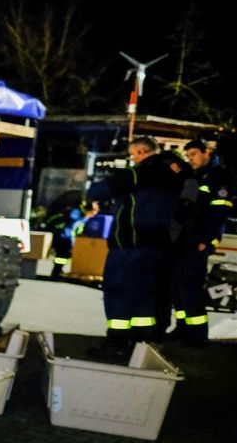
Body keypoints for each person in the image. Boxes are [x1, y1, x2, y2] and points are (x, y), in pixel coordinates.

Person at [86, 136, 185, 359]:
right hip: (158, 245)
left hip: (129, 244)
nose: (133, 159)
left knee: (118, 291)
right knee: (145, 294)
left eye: (133, 154)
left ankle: (117, 343)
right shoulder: (173, 177)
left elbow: (97, 191)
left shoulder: (136, 174)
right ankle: (143, 343)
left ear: (140, 151)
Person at [170, 139, 233, 344]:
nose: (191, 159)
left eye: (194, 154)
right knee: (178, 286)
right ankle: (182, 327)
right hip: (184, 238)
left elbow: (219, 212)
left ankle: (197, 334)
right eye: (188, 156)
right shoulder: (194, 175)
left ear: (207, 153)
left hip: (197, 239)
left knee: (191, 286)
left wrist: (206, 239)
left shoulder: (217, 176)